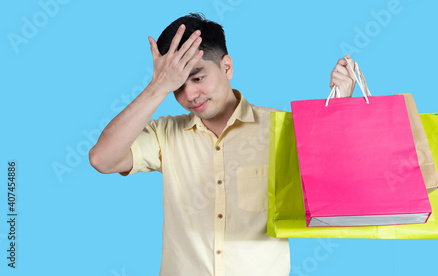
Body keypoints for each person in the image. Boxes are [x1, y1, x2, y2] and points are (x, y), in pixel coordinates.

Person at [89, 12, 356, 276]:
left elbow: (334, 182)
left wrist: (340, 108)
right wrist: (157, 87)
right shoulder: (166, 133)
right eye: (176, 86)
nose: (189, 95)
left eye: (197, 78)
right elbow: (103, 159)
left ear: (226, 67)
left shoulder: (280, 128)